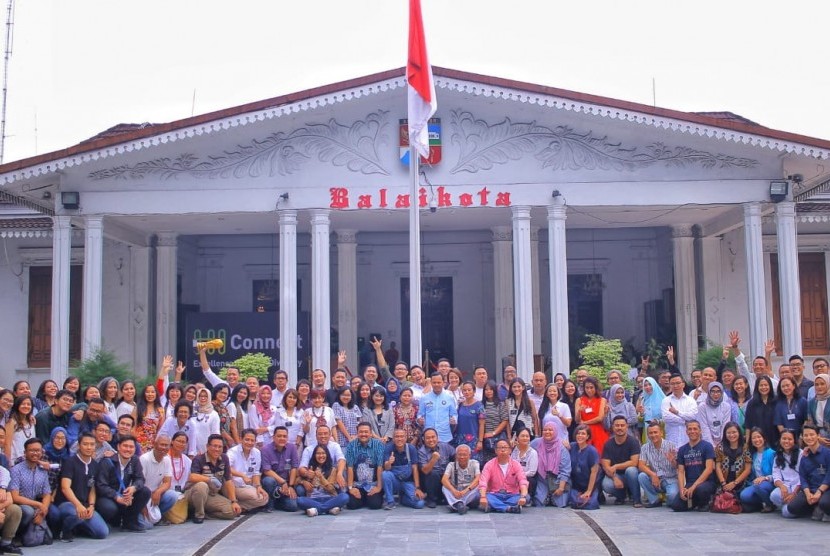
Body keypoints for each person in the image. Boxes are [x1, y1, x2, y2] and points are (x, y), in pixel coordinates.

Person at [56, 432, 109, 541]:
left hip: (84, 505)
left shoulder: (94, 464)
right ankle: (65, 530)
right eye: (85, 444)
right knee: (76, 514)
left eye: (92, 444)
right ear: (79, 445)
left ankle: (78, 527)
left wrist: (91, 505)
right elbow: (65, 488)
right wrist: (78, 505)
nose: (89, 447)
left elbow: (92, 487)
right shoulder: (70, 462)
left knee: (102, 533)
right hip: (67, 504)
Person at [94, 435, 151, 532]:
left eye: (131, 447)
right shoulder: (107, 461)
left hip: (124, 494)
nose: (128, 449)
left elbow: (140, 479)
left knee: (145, 491)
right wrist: (117, 497)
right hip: (109, 497)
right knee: (109, 508)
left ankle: (129, 522)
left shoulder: (134, 460)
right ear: (118, 447)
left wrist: (133, 488)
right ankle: (112, 521)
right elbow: (101, 485)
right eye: (125, 446)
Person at [9, 438, 60, 536]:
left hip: (35, 505)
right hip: (19, 505)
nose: (35, 453)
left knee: (53, 513)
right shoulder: (16, 470)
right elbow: (15, 497)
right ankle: (17, 535)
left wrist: (43, 509)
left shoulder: (42, 470)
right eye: (31, 450)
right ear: (25, 452)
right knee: (28, 511)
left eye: (38, 451)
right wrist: (39, 505)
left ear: (42, 452)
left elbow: (47, 493)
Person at [187, 434, 242, 523]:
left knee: (232, 512)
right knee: (202, 485)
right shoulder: (199, 459)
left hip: (211, 495)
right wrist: (209, 479)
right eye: (214, 446)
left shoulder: (224, 458)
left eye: (220, 447)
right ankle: (199, 515)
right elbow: (192, 476)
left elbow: (228, 480)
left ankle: (206, 514)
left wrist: (234, 501)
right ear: (207, 446)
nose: (217, 449)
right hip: (195, 494)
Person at [782, 424, 830, 519]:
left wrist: (819, 492)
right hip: (811, 489)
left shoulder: (827, 453)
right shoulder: (804, 456)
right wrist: (808, 493)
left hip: (826, 489)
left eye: (812, 435)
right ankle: (814, 508)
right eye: (806, 435)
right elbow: (803, 477)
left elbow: (829, 475)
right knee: (792, 507)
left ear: (818, 435)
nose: (809, 438)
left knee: (825, 503)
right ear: (802, 437)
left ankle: (822, 508)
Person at [670, 420, 716, 512]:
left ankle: (707, 502)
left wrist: (694, 486)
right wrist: (682, 488)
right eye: (690, 429)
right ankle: (694, 502)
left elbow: (709, 469)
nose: (692, 431)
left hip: (706, 483)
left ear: (700, 431)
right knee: (676, 506)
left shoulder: (707, 446)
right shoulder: (682, 450)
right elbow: (681, 471)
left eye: (695, 429)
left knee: (700, 490)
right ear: (686, 432)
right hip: (690, 483)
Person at [138, 434, 179, 527]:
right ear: (154, 444)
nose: (164, 448)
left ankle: (155, 517)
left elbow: (167, 482)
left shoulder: (167, 459)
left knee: (172, 495)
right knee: (147, 526)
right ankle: (146, 516)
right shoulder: (144, 459)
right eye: (162, 444)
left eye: (166, 445)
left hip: (154, 495)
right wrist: (142, 505)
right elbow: (139, 485)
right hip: (141, 495)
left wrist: (158, 492)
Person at [297, 444, 349, 516]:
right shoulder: (310, 468)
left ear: (327, 455)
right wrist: (303, 481)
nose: (321, 456)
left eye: (323, 453)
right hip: (313, 499)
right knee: (300, 500)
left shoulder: (333, 470)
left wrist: (321, 477)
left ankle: (316, 510)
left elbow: (331, 489)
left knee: (344, 496)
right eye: (318, 453)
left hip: (330, 498)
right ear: (314, 455)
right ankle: (329, 509)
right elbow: (296, 480)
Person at [478, 439, 528, 513]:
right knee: (486, 497)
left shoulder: (516, 464)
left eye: (505, 447)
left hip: (512, 495)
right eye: (500, 448)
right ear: (496, 451)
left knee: (526, 497)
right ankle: (509, 508)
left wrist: (523, 496)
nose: (503, 450)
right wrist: (482, 497)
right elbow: (483, 482)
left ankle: (494, 507)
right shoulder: (489, 464)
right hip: (495, 494)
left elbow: (523, 481)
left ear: (510, 451)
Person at [600, 415, 641, 506]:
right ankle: (621, 496)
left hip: (630, 475)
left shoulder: (633, 442)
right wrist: (614, 478)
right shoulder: (608, 444)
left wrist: (616, 466)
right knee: (606, 484)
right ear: (613, 427)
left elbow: (634, 462)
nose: (620, 428)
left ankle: (636, 499)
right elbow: (606, 465)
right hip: (616, 474)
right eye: (617, 425)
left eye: (622, 425)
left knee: (631, 470)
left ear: (627, 426)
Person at [637, 420, 678, 508]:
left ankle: (668, 497)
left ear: (661, 433)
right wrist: (652, 474)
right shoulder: (645, 447)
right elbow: (641, 465)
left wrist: (673, 461)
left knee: (672, 499)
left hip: (670, 479)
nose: (653, 435)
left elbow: (679, 467)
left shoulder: (671, 446)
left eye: (655, 432)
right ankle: (654, 500)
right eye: (650, 433)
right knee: (642, 476)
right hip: (654, 479)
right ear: (647, 435)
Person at [226, 429, 269, 512]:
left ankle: (237, 506)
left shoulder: (257, 452)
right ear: (241, 439)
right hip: (232, 486)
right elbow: (227, 468)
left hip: (246, 487)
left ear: (255, 441)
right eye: (247, 439)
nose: (249, 443)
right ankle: (233, 503)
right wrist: (242, 475)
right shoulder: (232, 452)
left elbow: (256, 472)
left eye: (252, 440)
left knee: (264, 498)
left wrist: (258, 486)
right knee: (256, 497)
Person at [344, 422, 385, 510]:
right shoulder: (351, 445)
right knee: (351, 505)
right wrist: (350, 488)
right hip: (357, 484)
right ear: (357, 433)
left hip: (373, 483)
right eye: (361, 432)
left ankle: (367, 498)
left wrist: (378, 487)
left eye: (366, 432)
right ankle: (363, 498)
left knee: (375, 505)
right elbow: (350, 467)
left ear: (371, 433)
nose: (363, 434)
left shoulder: (378, 445)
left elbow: (380, 466)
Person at [380, 429, 424, 510]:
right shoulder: (388, 448)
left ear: (406, 438)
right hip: (395, 481)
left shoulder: (411, 449)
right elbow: (386, 468)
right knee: (385, 474)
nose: (399, 439)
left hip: (408, 482)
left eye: (402, 436)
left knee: (420, 503)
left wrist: (417, 488)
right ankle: (390, 501)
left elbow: (414, 469)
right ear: (393, 438)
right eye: (397, 437)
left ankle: (403, 500)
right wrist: (389, 462)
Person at [260, 427, 300, 512]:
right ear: (273, 437)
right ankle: (269, 503)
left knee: (293, 507)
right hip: (273, 483)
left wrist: (291, 486)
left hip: (286, 484)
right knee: (268, 481)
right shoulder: (265, 449)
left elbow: (294, 467)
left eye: (284, 436)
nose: (282, 438)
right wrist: (283, 482)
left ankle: (278, 501)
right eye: (279, 436)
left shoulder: (292, 448)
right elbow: (267, 470)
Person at [532, 422, 571, 507]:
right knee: (539, 503)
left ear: (556, 431)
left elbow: (565, 470)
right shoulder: (536, 443)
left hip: (558, 479)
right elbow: (526, 449)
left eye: (550, 430)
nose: (547, 432)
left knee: (560, 503)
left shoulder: (562, 446)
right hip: (542, 480)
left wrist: (561, 488)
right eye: (545, 430)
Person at [298, 425, 346, 492]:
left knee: (343, 493)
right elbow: (302, 467)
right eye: (320, 434)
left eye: (325, 433)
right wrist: (306, 473)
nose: (323, 436)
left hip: (331, 478)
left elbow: (341, 460)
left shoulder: (335, 446)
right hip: (314, 480)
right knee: (300, 490)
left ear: (330, 435)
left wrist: (339, 473)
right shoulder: (308, 449)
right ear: (316, 436)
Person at [739, 427, 776, 512]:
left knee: (758, 486)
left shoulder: (771, 453)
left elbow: (777, 474)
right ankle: (760, 503)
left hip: (770, 482)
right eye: (754, 438)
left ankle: (770, 504)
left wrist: (764, 478)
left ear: (764, 438)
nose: (757, 440)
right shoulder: (753, 454)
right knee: (744, 495)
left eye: (759, 437)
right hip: (756, 483)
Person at [418, 428, 456, 508]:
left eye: (433, 437)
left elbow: (456, 455)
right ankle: (431, 499)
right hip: (431, 480)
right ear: (423, 439)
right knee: (433, 474)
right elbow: (425, 471)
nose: (431, 440)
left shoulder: (445, 446)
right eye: (428, 438)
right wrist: (433, 459)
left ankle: (445, 497)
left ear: (437, 438)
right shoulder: (421, 451)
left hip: (445, 477)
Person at [417, 373, 458, 444]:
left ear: (443, 383)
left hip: (444, 435)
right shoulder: (424, 397)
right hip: (429, 436)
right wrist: (419, 420)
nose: (436, 384)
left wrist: (454, 420)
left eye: (439, 382)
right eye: (434, 382)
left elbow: (454, 414)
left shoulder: (449, 397)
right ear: (431, 383)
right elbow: (420, 415)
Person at [714, 422, 750, 498]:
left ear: (739, 433)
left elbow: (747, 469)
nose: (731, 435)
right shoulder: (720, 447)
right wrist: (723, 483)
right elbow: (717, 467)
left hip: (741, 482)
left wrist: (735, 483)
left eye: (734, 432)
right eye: (728, 433)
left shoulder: (745, 447)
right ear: (725, 434)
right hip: (724, 482)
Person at [661, 374, 698, 447]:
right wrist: (685, 421)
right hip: (672, 440)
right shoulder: (666, 401)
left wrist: (677, 412)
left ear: (683, 384)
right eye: (672, 384)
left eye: (678, 383)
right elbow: (666, 418)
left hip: (688, 440)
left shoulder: (691, 400)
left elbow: (693, 417)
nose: (675, 386)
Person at [442, 444, 480, 514]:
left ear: (469, 455)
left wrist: (466, 490)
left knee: (479, 487)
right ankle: (459, 505)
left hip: (469, 491)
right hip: (456, 491)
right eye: (460, 454)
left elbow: (478, 478)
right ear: (456, 455)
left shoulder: (475, 463)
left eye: (465, 455)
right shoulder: (451, 465)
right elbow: (444, 479)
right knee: (444, 487)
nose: (462, 457)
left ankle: (456, 505)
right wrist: (453, 490)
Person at [569, 424, 600, 509]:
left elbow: (594, 472)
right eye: (578, 433)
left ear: (587, 436)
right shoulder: (572, 446)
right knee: (575, 502)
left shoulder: (592, 451)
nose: (580, 436)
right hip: (576, 485)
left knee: (590, 505)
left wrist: (589, 491)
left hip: (589, 485)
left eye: (583, 434)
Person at [575, 377, 609, 456]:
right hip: (584, 432)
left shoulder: (602, 400)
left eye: (591, 387)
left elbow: (600, 418)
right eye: (587, 388)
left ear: (596, 388)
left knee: (599, 455)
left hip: (598, 431)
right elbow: (577, 420)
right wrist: (579, 411)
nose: (589, 390)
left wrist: (584, 422)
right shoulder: (579, 400)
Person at [770, 430, 801, 514]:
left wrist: (794, 493)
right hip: (786, 486)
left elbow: (804, 476)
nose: (786, 441)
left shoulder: (801, 454)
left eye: (789, 439)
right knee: (774, 495)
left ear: (794, 441)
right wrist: (782, 486)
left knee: (786, 513)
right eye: (784, 438)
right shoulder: (778, 456)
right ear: (780, 440)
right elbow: (776, 475)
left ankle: (790, 507)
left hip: (799, 488)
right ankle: (789, 505)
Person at [744, 375, 778, 448]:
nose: (763, 387)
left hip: (775, 439)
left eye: (766, 385)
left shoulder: (776, 401)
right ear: (757, 387)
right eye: (761, 385)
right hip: (758, 440)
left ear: (770, 386)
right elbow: (748, 425)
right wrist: (747, 442)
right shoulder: (752, 404)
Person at [455, 381, 485, 462]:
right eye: (464, 390)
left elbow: (482, 425)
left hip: (473, 439)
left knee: (473, 463)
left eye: (469, 390)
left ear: (474, 391)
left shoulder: (479, 405)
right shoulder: (460, 405)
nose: (467, 392)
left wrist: (480, 441)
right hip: (460, 439)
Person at [697, 382, 731, 448]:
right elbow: (704, 427)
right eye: (713, 391)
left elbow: (725, 425)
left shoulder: (726, 406)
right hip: (707, 440)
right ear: (709, 392)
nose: (716, 394)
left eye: (718, 391)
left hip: (723, 441)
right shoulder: (702, 406)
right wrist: (711, 445)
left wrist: (722, 444)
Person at [481, 381, 508, 463]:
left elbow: (505, 420)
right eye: (486, 389)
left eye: (491, 389)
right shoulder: (481, 405)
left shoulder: (500, 404)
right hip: (485, 439)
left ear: (495, 391)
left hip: (498, 437)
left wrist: (493, 433)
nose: (488, 391)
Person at [5, 395, 36, 465]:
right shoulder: (12, 422)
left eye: (28, 404)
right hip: (14, 461)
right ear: (17, 405)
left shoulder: (31, 421)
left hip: (28, 460)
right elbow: (7, 444)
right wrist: (8, 463)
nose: (26, 406)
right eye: (23, 404)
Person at [505, 378, 539, 442]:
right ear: (511, 388)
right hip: (514, 436)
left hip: (528, 435)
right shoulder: (508, 402)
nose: (516, 389)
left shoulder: (530, 402)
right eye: (514, 387)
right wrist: (509, 437)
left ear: (523, 387)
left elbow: (535, 419)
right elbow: (507, 421)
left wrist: (536, 435)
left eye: (519, 386)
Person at [135, 384, 165, 453]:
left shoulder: (161, 410)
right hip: (138, 443)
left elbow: (160, 430)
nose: (150, 394)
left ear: (156, 394)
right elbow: (132, 427)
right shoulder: (137, 408)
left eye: (152, 392)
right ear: (144, 394)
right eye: (147, 392)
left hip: (152, 444)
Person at [190, 388, 220, 455]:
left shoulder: (214, 414)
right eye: (200, 396)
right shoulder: (192, 411)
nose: (202, 398)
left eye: (205, 396)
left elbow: (215, 434)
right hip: (191, 450)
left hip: (206, 451)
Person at [510, 429, 538, 502]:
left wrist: (519, 475)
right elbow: (511, 466)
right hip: (515, 477)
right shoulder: (514, 450)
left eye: (527, 436)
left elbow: (532, 472)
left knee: (530, 481)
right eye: (522, 436)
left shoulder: (533, 453)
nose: (525, 438)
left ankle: (526, 497)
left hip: (527, 478)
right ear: (517, 438)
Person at [807, 373, 830, 447]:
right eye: (816, 384)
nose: (819, 387)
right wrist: (818, 438)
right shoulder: (812, 402)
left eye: (822, 384)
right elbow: (810, 423)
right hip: (817, 440)